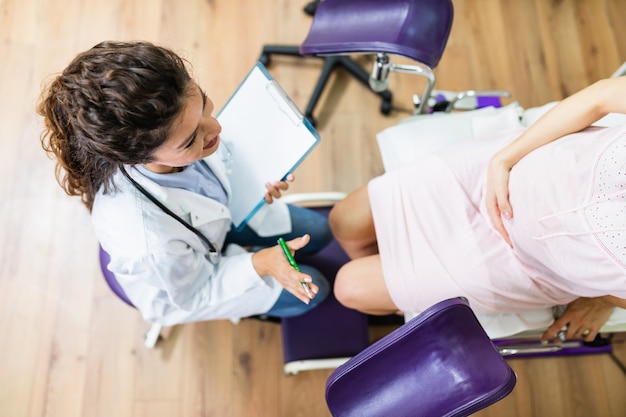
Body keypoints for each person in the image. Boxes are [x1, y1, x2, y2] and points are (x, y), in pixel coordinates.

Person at [38, 41, 332, 326]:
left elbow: (220, 158)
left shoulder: (174, 133)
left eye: (204, 105)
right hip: (191, 286)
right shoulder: (147, 241)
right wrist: (262, 264)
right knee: (316, 287)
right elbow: (196, 292)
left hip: (215, 226)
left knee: (320, 230)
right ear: (137, 158)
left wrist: (256, 178)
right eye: (192, 138)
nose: (216, 127)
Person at [328, 76, 626, 343]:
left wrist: (602, 300)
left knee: (348, 287)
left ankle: (398, 279)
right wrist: (504, 160)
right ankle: (395, 271)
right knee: (343, 221)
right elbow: (598, 98)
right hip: (500, 173)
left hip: (521, 267)